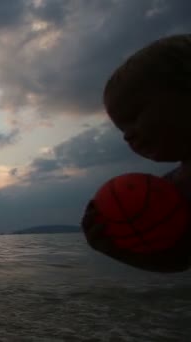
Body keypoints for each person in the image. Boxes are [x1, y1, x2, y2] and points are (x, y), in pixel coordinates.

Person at [82, 33, 191, 273]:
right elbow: (182, 257)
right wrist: (120, 249)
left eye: (134, 116)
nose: (127, 136)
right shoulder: (171, 191)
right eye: (122, 129)